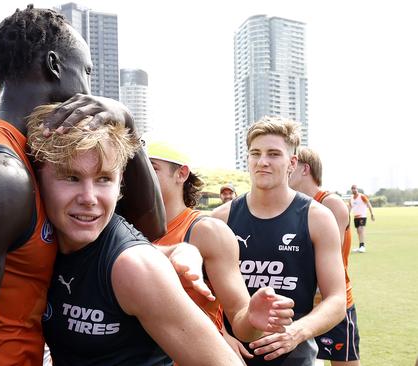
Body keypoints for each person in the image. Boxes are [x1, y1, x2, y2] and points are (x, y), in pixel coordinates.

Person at [0, 6, 164, 365]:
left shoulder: (29, 158)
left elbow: (151, 227)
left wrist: (127, 124)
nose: (90, 90)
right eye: (87, 73)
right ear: (54, 65)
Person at [26, 105, 241, 365]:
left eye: (104, 179)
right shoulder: (40, 243)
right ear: (38, 182)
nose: (89, 198)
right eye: (71, 177)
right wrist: (179, 250)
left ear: (119, 186)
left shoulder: (134, 267)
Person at [212, 116, 346, 365]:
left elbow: (336, 300)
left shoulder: (317, 218)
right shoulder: (220, 219)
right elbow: (199, 296)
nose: (262, 162)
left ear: (292, 163)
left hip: (293, 353)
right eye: (255, 153)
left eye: (273, 154)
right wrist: (218, 332)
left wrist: (298, 332)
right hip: (230, 355)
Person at [148, 140, 295, 356]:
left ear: (181, 174)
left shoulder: (207, 231)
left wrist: (252, 318)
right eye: (133, 169)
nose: (137, 177)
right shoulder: (117, 226)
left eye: (151, 168)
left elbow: (240, 317)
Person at [289, 147, 360, 365]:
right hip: (300, 306)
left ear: (304, 169)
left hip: (331, 304)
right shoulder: (291, 206)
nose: (286, 169)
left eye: (292, 165)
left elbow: (330, 259)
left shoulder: (331, 203)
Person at [348, 184, 374, 253]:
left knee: (360, 230)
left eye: (355, 188)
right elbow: (350, 207)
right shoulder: (351, 198)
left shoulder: (362, 196)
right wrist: (348, 215)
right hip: (355, 217)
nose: (354, 190)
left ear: (357, 189)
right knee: (358, 231)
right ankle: (360, 246)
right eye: (352, 188)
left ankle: (363, 246)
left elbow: (368, 204)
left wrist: (372, 214)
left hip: (362, 216)